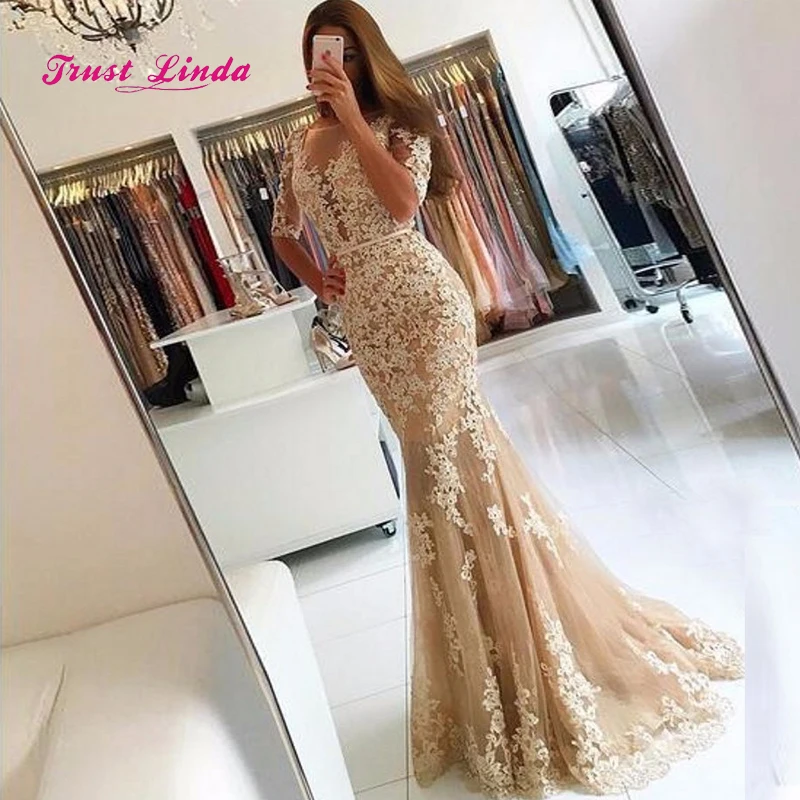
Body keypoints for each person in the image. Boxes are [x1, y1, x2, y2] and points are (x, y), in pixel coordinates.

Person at [271, 2, 744, 796]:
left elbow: (402, 207)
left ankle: (531, 645)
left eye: (348, 53)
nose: (336, 65)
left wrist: (353, 118)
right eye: (325, 52)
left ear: (366, 57)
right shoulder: (298, 142)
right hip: (372, 328)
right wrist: (322, 278)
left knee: (459, 469)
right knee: (433, 479)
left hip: (425, 306)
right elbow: (284, 231)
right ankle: (485, 657)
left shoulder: (401, 123)